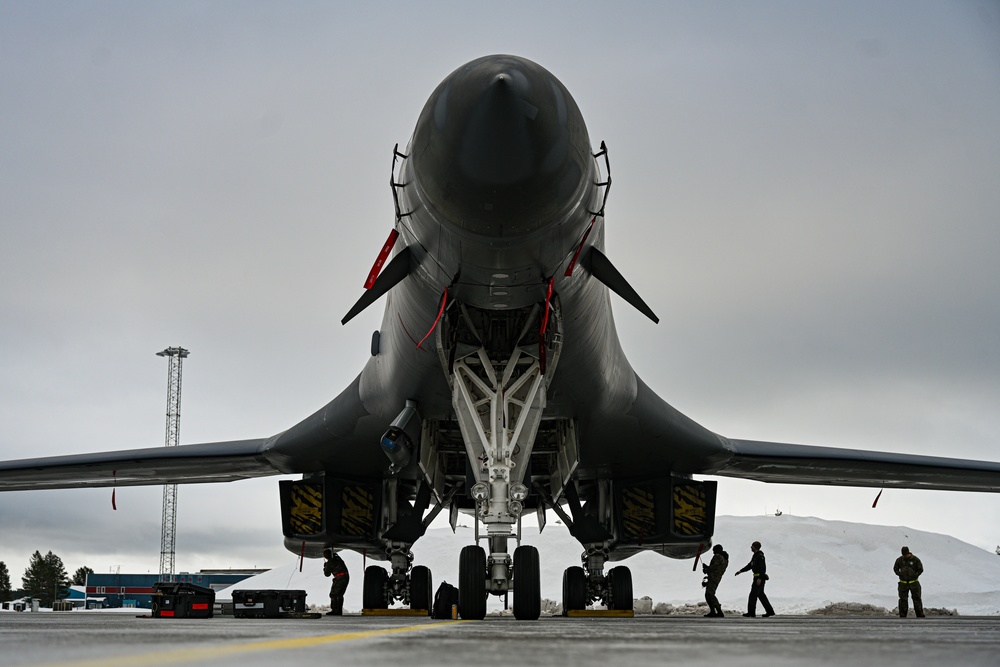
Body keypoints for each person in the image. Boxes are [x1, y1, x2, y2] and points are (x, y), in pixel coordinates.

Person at [734, 540, 775, 617]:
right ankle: (770, 611)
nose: (751, 547)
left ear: (755, 547)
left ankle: (751, 612)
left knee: (753, 595)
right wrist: (741, 571)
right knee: (761, 595)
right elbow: (750, 565)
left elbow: (762, 568)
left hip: (759, 578)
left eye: (752, 546)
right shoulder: (756, 556)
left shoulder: (760, 556)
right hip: (757, 577)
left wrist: (759, 578)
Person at [893, 546, 924, 618]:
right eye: (903, 554)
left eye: (906, 554)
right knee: (903, 599)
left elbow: (920, 569)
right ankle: (903, 614)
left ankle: (919, 614)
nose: (905, 556)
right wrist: (900, 574)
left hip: (914, 583)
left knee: (917, 598)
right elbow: (895, 568)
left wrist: (915, 575)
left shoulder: (915, 560)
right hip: (903, 583)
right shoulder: (899, 560)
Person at [702, 543, 729, 617]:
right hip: (716, 577)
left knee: (710, 594)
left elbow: (713, 568)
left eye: (714, 551)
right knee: (708, 594)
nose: (713, 552)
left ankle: (718, 611)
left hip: (713, 577)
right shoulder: (725, 558)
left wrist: (706, 568)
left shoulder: (717, 556)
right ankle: (713, 611)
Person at [323, 547, 350, 615]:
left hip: (339, 578)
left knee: (334, 594)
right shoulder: (337, 558)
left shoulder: (330, 562)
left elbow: (327, 574)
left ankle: (335, 610)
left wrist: (325, 568)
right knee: (339, 594)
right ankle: (338, 610)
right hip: (345, 577)